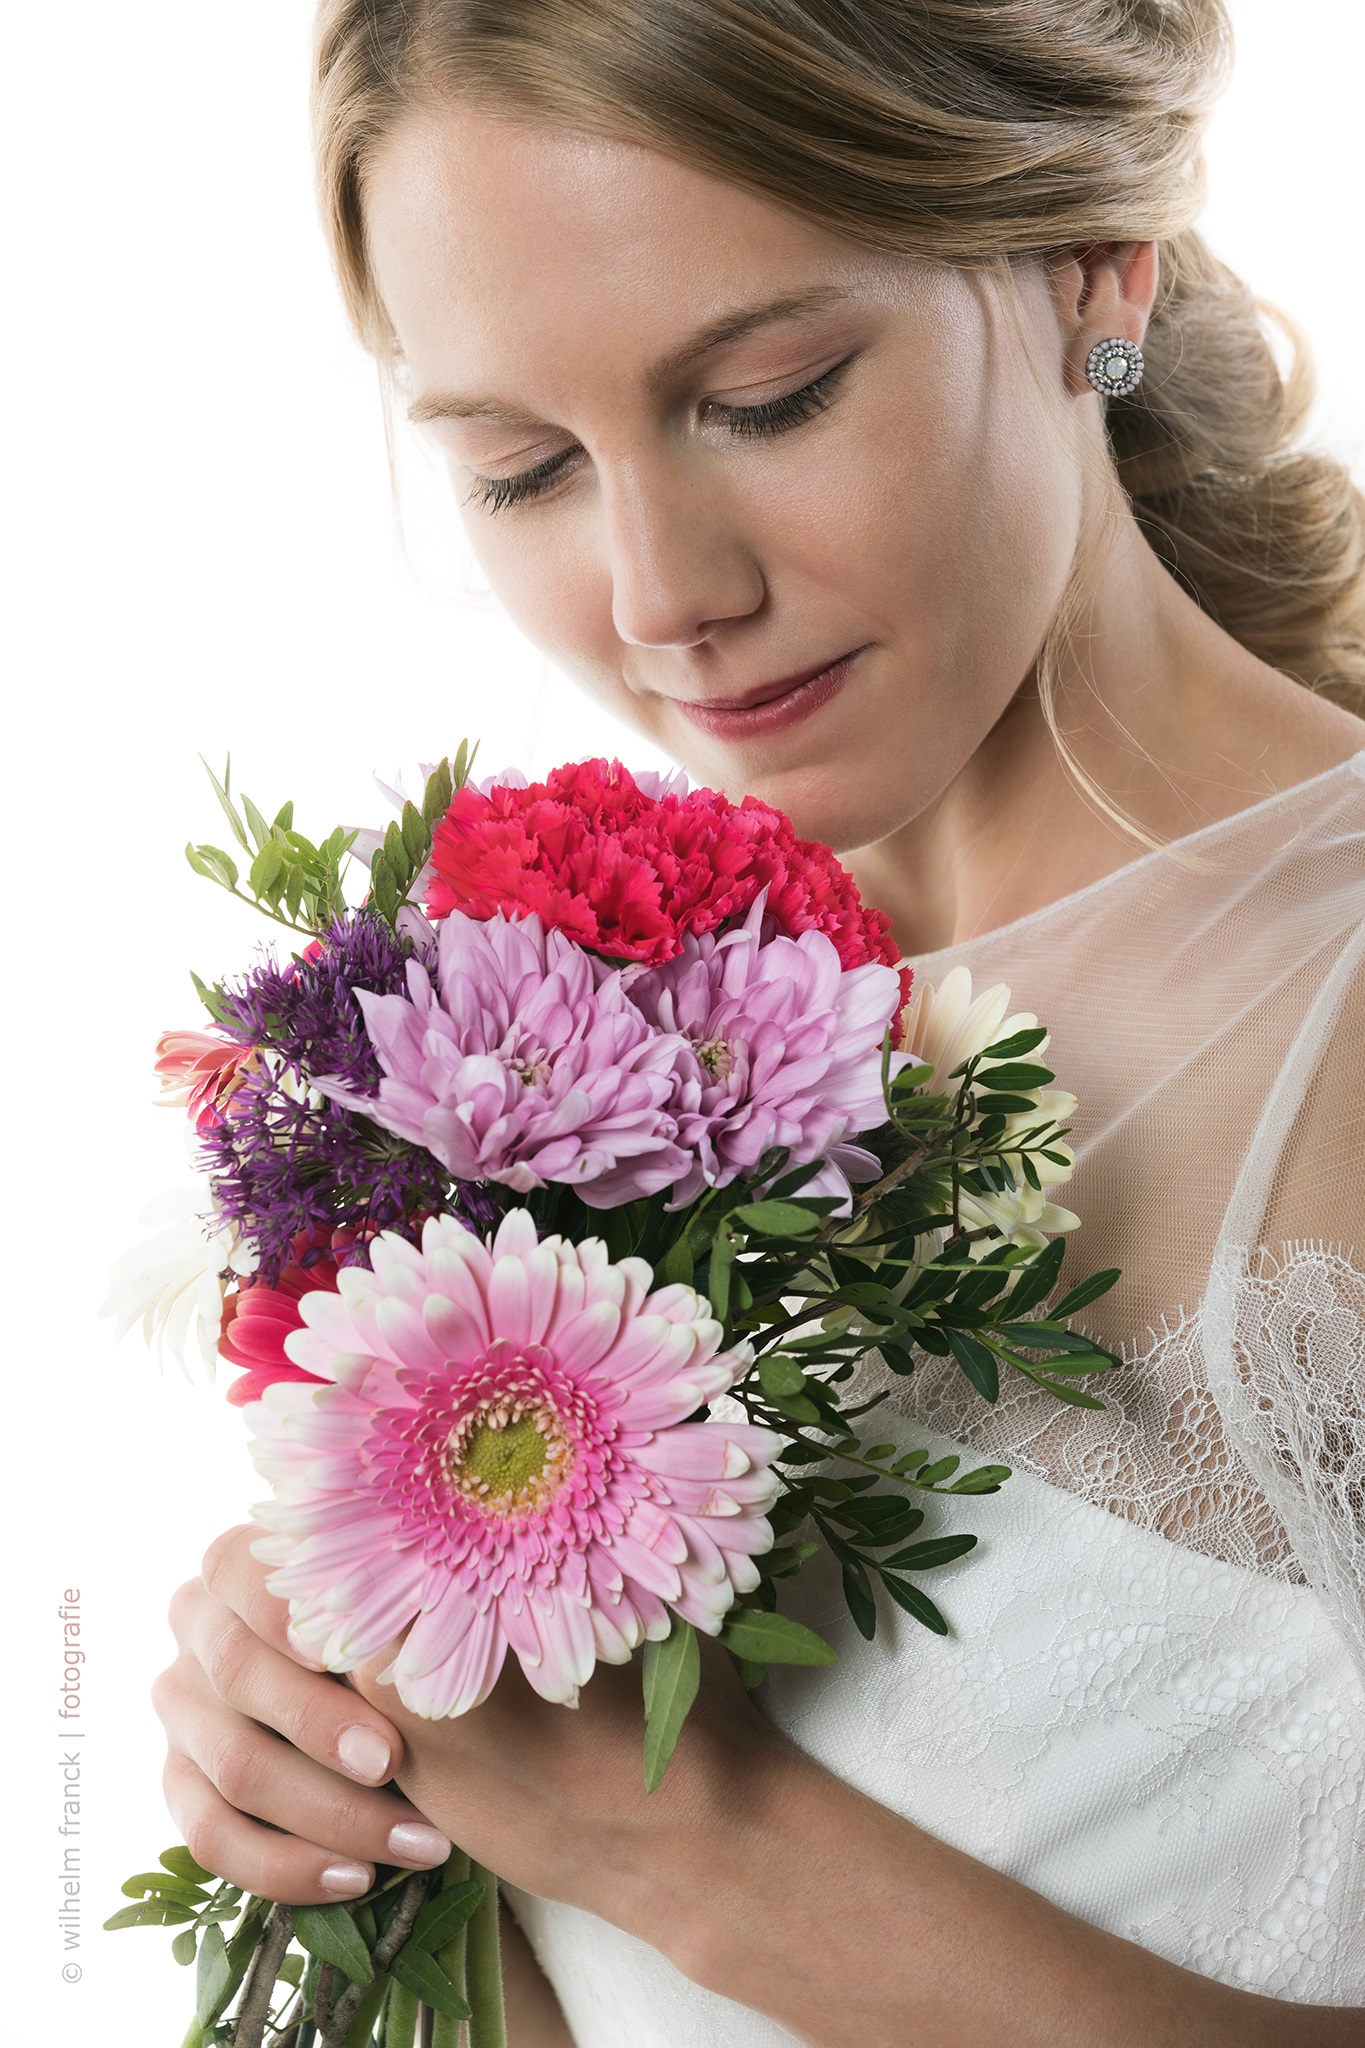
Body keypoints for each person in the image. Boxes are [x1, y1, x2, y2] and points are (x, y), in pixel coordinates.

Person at [151, 3, 1365, 2042]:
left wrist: (686, 1847)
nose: (657, 596)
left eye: (766, 397)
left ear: (1091, 264)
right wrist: (374, 1792)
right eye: (522, 469)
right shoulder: (562, 1046)